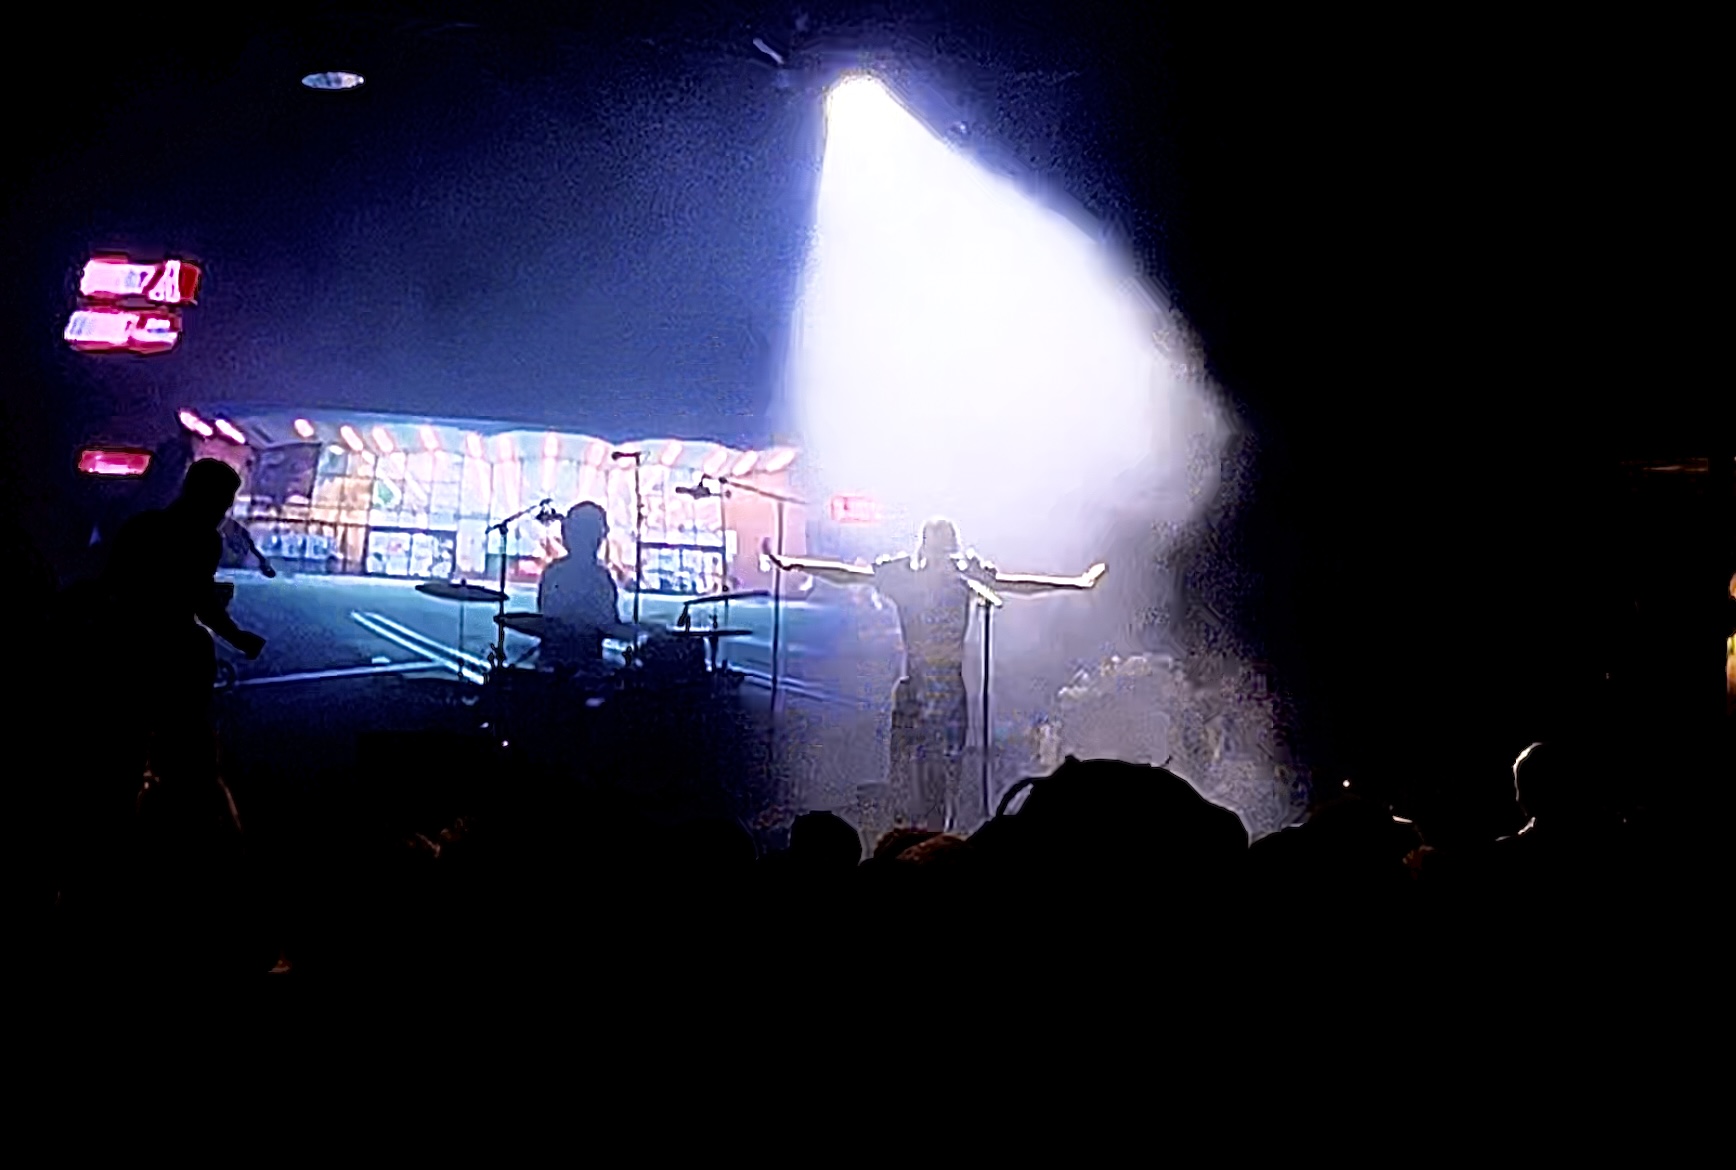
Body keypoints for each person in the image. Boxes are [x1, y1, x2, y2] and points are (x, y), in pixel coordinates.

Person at [769, 517, 1105, 829]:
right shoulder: (904, 581)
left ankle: (938, 833)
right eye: (935, 549)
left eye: (945, 550)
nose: (940, 558)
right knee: (905, 769)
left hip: (949, 688)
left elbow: (1017, 584)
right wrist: (796, 563)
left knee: (946, 768)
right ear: (923, 549)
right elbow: (849, 574)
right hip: (914, 687)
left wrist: (1075, 584)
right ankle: (905, 834)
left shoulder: (964, 583)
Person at [99, 459, 266, 802]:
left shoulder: (141, 527)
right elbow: (199, 598)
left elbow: (112, 584)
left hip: (124, 643)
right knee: (182, 736)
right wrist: (237, 637)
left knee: (125, 737)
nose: (225, 509)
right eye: (223, 500)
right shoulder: (202, 540)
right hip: (171, 648)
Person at [538, 503, 630, 680]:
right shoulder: (600, 578)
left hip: (552, 667)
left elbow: (547, 616)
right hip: (586, 668)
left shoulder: (553, 573)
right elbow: (606, 623)